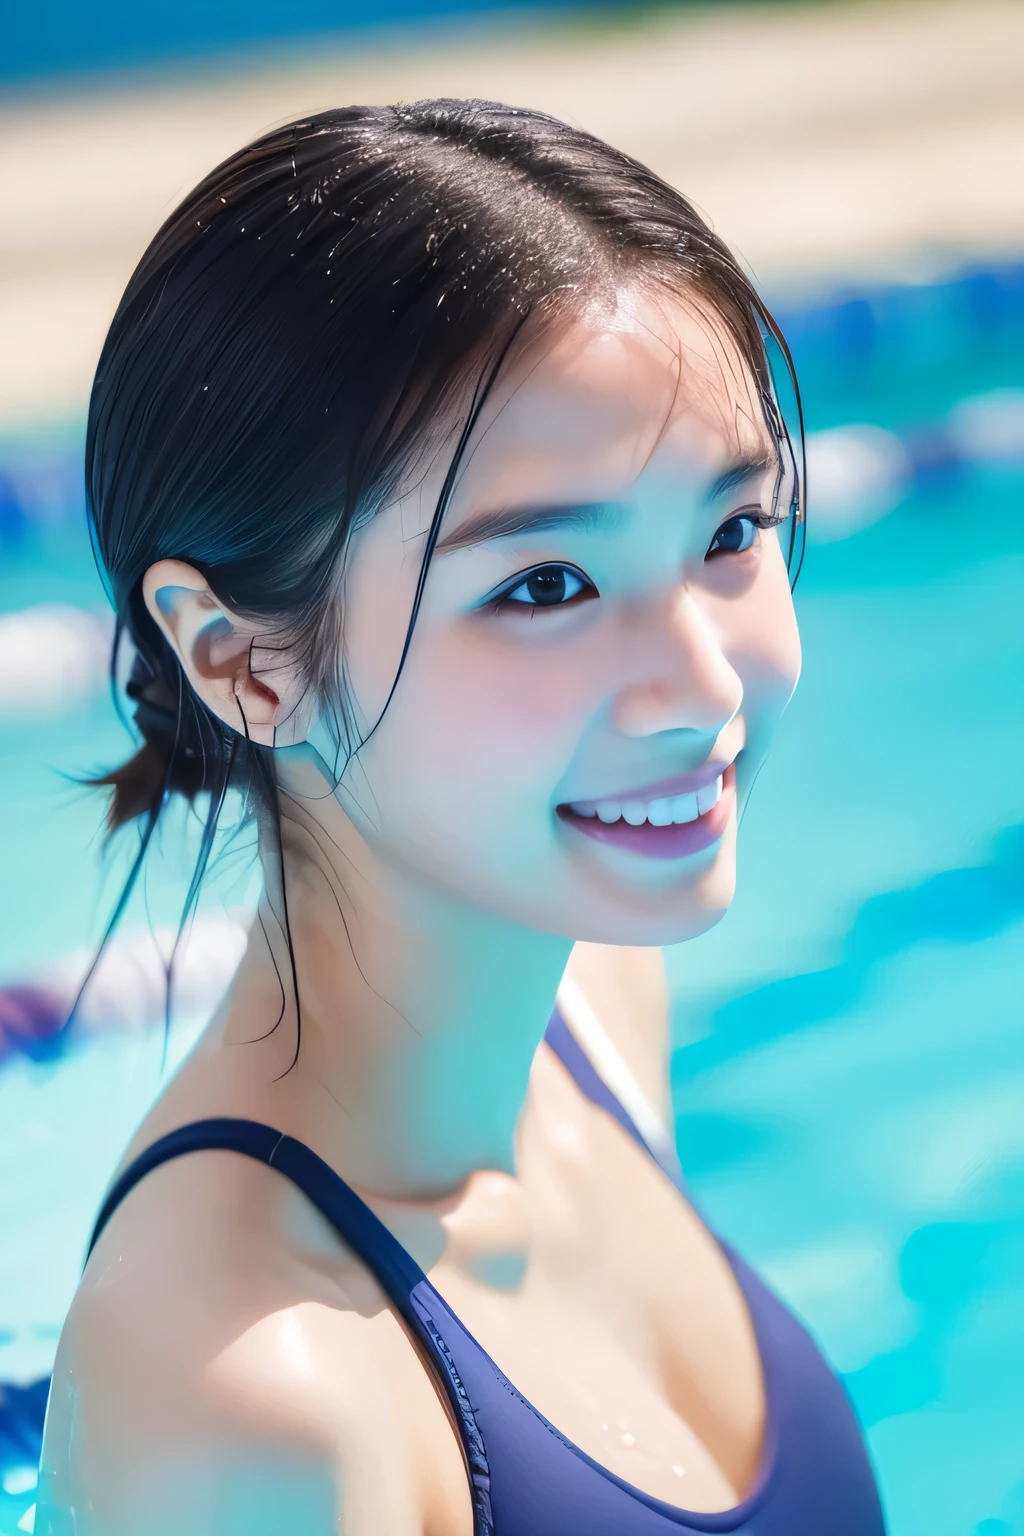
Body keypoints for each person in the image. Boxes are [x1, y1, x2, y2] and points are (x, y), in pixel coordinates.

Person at [36, 101, 885, 1535]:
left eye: (731, 531)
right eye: (545, 585)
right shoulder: (241, 1405)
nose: (700, 685)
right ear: (244, 660)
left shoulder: (599, 1004)